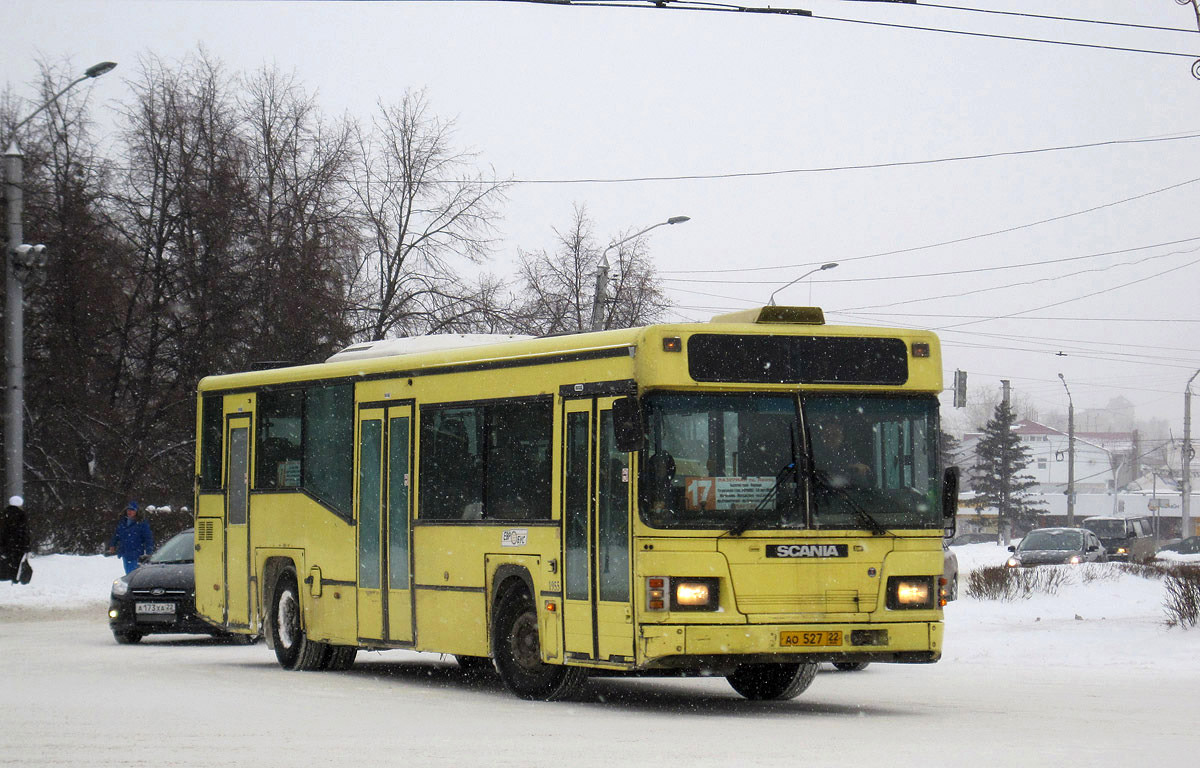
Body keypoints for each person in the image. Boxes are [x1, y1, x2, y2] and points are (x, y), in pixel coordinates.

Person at [108, 501, 154, 574]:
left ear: (136, 511)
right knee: (128, 573)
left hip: (136, 554)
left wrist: (149, 552)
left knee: (134, 574)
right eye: (128, 510)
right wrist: (112, 544)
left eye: (132, 510)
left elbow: (148, 538)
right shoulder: (123, 522)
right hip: (125, 553)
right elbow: (117, 534)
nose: (129, 512)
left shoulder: (142, 523)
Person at [0, 495, 31, 584]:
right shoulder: (22, 515)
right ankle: (15, 578)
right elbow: (24, 532)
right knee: (17, 563)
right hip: (18, 545)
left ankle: (4, 576)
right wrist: (27, 546)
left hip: (5, 544)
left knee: (6, 561)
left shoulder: (3, 514)